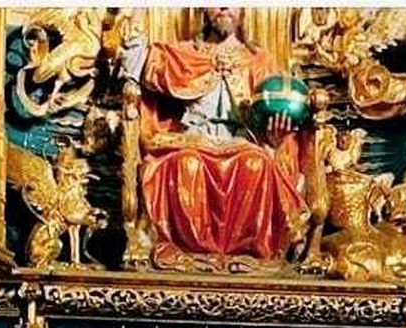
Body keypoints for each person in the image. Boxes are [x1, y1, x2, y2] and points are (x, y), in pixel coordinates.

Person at [119, 5, 309, 267]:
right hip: (192, 139)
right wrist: (137, 12)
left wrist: (274, 137)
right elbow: (136, 64)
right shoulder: (186, 54)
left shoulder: (259, 60)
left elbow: (277, 122)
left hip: (242, 142)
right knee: (187, 164)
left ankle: (247, 254)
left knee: (257, 165)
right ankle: (195, 255)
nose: (223, 6)